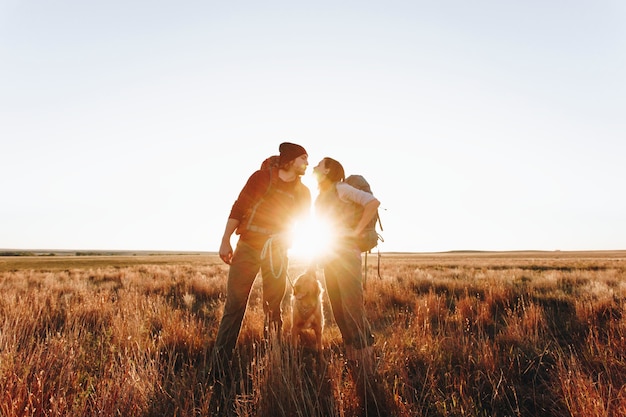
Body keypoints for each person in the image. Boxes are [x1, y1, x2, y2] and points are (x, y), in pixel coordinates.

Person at [210, 142, 311, 391]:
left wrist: (289, 239)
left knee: (273, 308)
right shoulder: (260, 178)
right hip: (248, 246)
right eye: (303, 159)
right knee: (234, 306)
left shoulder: (304, 192)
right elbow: (240, 206)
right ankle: (217, 370)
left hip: (277, 251)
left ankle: (272, 364)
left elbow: (303, 224)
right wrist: (225, 240)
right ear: (290, 160)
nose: (307, 163)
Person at [312, 157, 380, 375]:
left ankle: (367, 367)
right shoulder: (321, 196)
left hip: (347, 256)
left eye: (319, 165)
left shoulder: (341, 188)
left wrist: (357, 231)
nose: (314, 167)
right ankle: (354, 364)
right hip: (330, 256)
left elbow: (372, 202)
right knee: (339, 311)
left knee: (352, 309)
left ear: (329, 170)